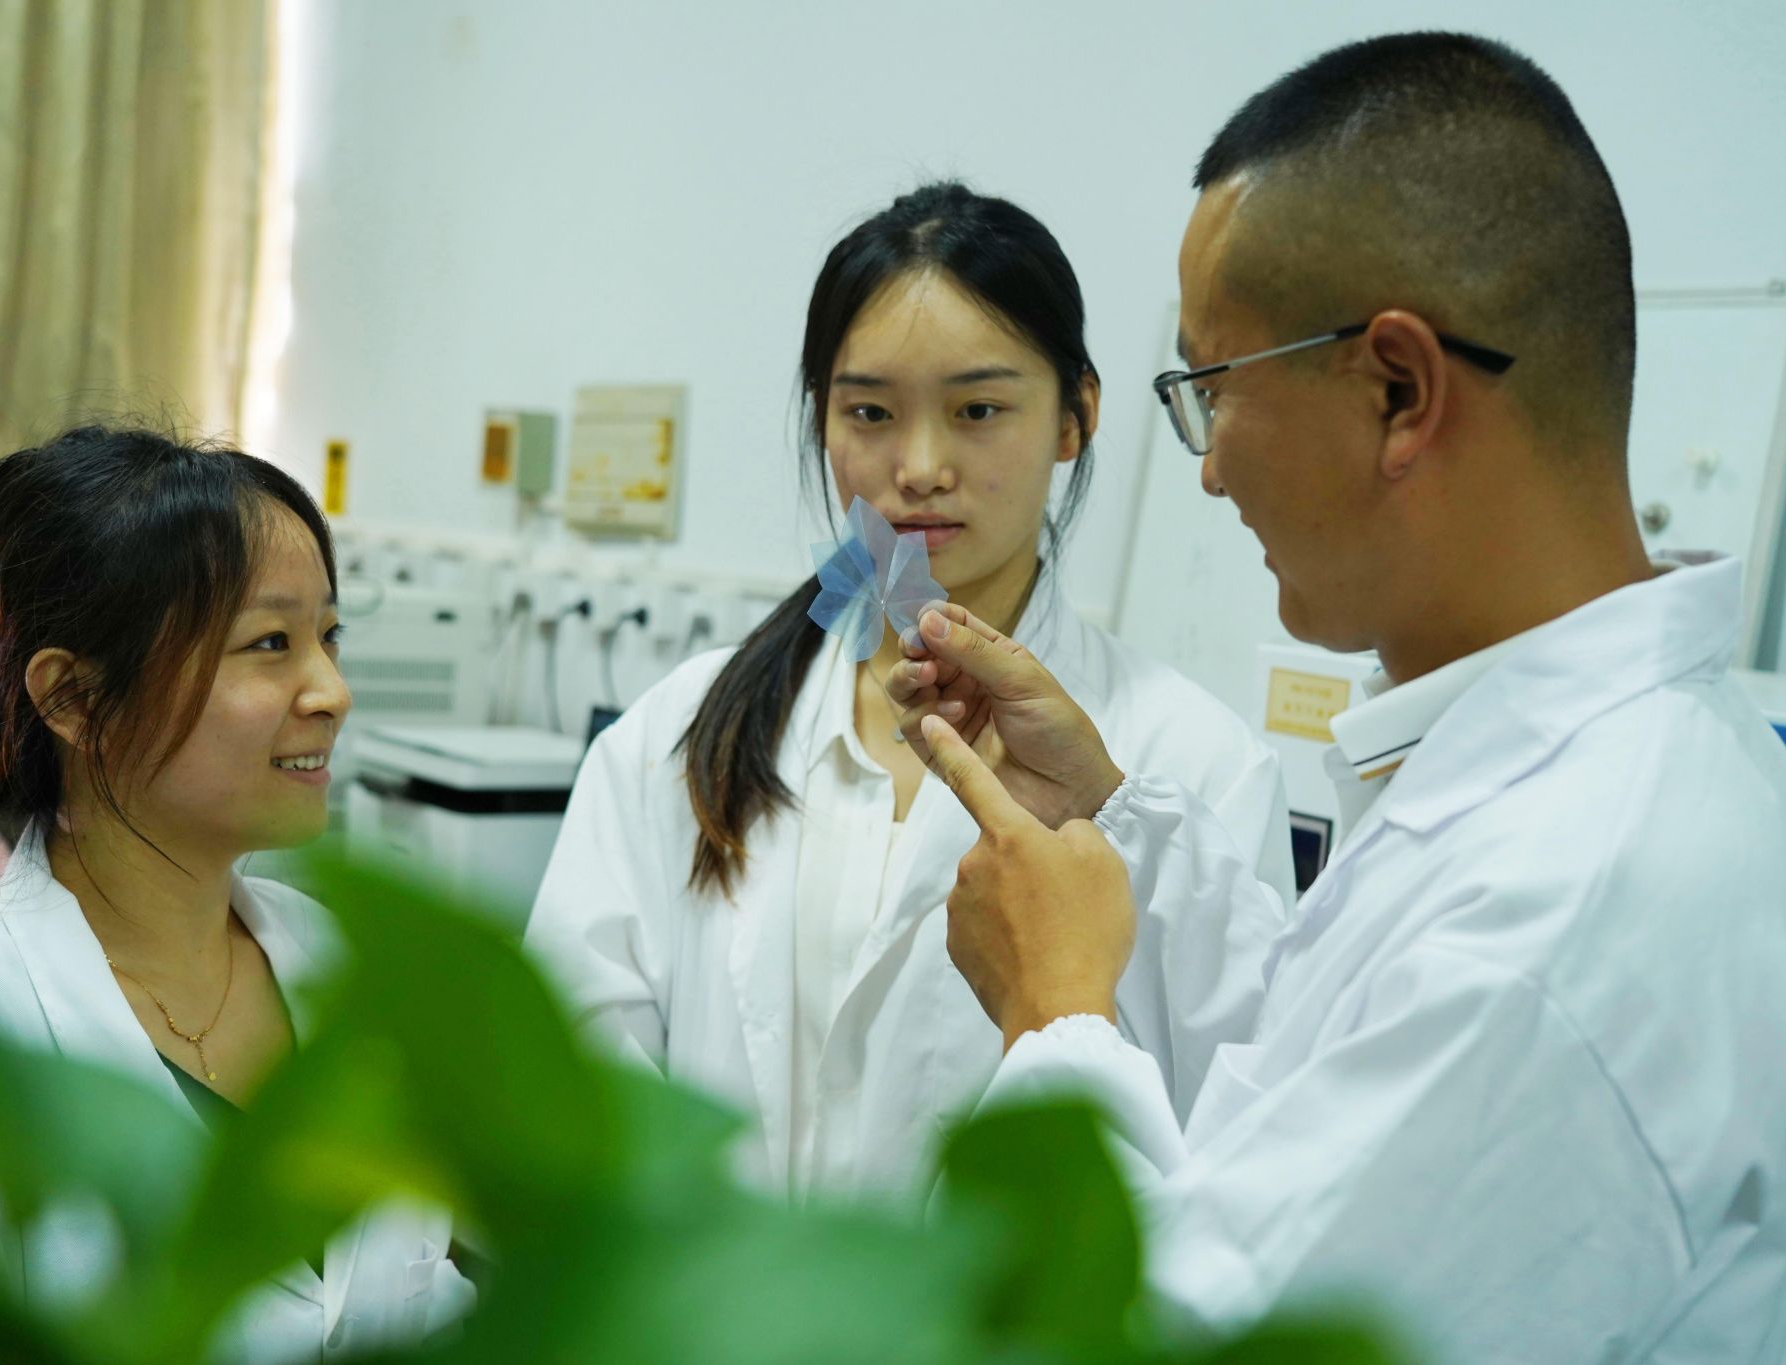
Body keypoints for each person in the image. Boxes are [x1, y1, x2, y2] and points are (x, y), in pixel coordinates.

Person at [891, 33, 1786, 1362]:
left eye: (1213, 389)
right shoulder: (1571, 771)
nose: (1208, 470)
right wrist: (1107, 816)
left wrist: (1052, 1012)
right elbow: (1321, 1071)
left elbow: (1202, 1337)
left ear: (1397, 390)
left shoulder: (1570, 902)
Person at [525, 183, 1295, 1204]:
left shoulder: (1191, 763)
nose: (919, 467)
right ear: (823, 419)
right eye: (870, 413)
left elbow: (1241, 1136)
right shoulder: (675, 734)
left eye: (977, 410)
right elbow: (574, 1097)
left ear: (1076, 416)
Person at [0, 427, 473, 1361]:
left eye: (329, 637)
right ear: (75, 699)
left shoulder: (347, 973)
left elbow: (422, 1296)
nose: (332, 691)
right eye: (270, 642)